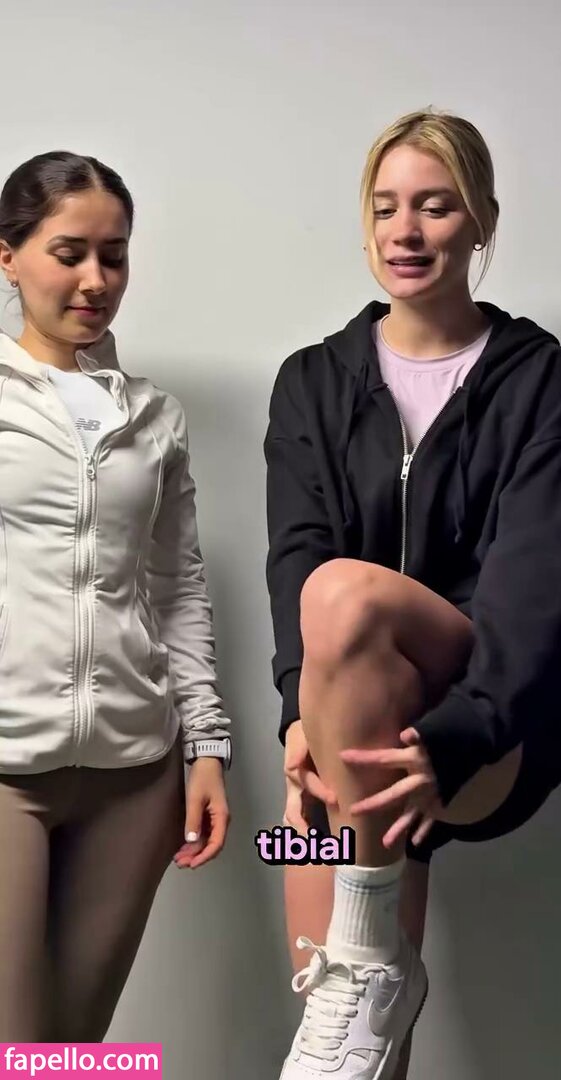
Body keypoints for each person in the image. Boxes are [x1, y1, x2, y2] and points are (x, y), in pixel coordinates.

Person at [264, 109, 561, 1079]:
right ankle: (372, 974)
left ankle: (370, 952)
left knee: (341, 594)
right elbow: (291, 551)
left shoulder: (545, 384)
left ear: (481, 219)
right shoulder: (311, 382)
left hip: (487, 719)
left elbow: (532, 588)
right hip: (348, 724)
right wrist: (300, 714)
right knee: (341, 1017)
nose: (405, 231)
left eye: (435, 206)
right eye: (385, 208)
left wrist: (456, 733)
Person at [0, 151, 232, 1042]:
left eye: (115, 255)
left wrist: (206, 746)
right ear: (9, 257)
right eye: (70, 254)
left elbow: (178, 589)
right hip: (8, 764)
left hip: (135, 775)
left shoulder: (154, 416)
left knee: (74, 1048)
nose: (96, 280)